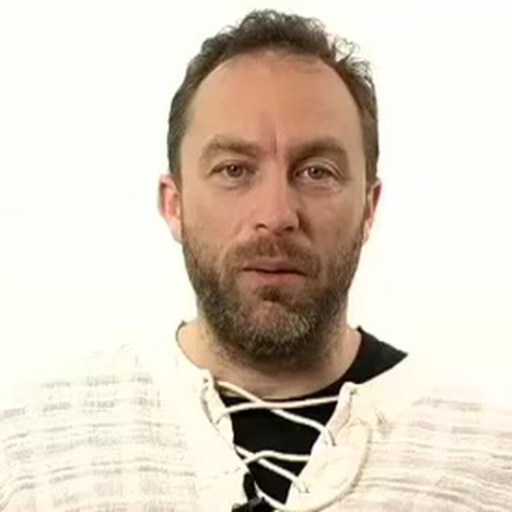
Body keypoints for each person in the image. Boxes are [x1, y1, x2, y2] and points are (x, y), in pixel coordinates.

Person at [0, 9, 510, 512]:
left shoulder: (490, 467)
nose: (276, 215)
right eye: (234, 170)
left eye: (316, 171)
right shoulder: (31, 457)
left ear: (368, 208)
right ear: (175, 205)